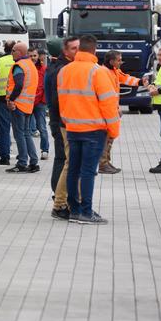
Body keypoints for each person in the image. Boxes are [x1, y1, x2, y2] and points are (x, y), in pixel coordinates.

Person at [57, 35, 120, 224]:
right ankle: (86, 212)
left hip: (72, 128)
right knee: (88, 172)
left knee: (74, 169)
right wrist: (114, 131)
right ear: (94, 51)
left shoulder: (64, 71)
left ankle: (74, 210)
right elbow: (108, 104)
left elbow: (62, 101)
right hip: (94, 130)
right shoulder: (98, 72)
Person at [99, 50, 148, 174]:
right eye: (119, 60)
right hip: (105, 112)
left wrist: (140, 82)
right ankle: (102, 164)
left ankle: (106, 162)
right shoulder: (103, 73)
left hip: (111, 111)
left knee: (110, 138)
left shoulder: (114, 71)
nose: (121, 62)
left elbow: (125, 78)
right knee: (105, 138)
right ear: (111, 61)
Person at [46, 37, 78, 220]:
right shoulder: (62, 70)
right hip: (62, 122)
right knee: (64, 161)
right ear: (64, 51)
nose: (78, 52)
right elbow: (58, 100)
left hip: (58, 120)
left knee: (61, 159)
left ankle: (59, 197)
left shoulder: (55, 68)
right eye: (74, 49)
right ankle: (59, 199)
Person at [5, 42, 39, 173]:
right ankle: (34, 162)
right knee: (26, 134)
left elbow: (19, 84)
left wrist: (11, 99)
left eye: (13, 50)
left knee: (19, 135)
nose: (11, 53)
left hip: (18, 105)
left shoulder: (19, 66)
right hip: (28, 105)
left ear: (19, 52)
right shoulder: (31, 65)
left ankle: (22, 163)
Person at [29, 49, 49, 159]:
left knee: (42, 127)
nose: (33, 57)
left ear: (38, 56)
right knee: (25, 129)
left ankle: (45, 150)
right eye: (31, 55)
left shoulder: (43, 69)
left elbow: (44, 86)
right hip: (27, 101)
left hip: (39, 102)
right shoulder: (25, 68)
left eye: (35, 55)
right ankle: (28, 152)